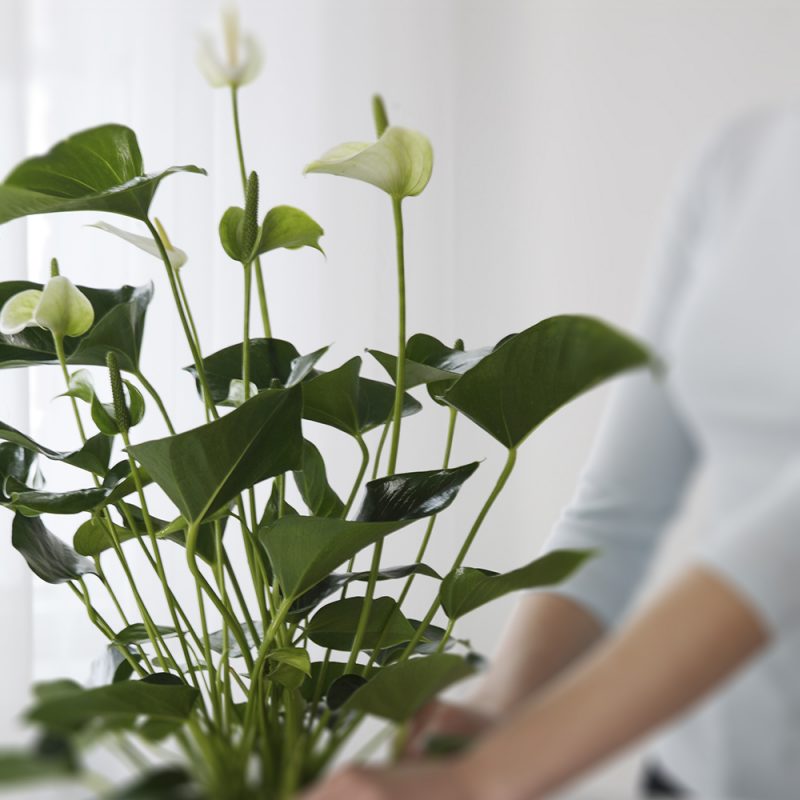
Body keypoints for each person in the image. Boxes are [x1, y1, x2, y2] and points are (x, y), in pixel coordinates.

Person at [300, 105, 800, 799]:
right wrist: (493, 707)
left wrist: (481, 779)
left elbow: (784, 556)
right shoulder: (743, 160)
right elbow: (617, 511)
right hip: (691, 774)